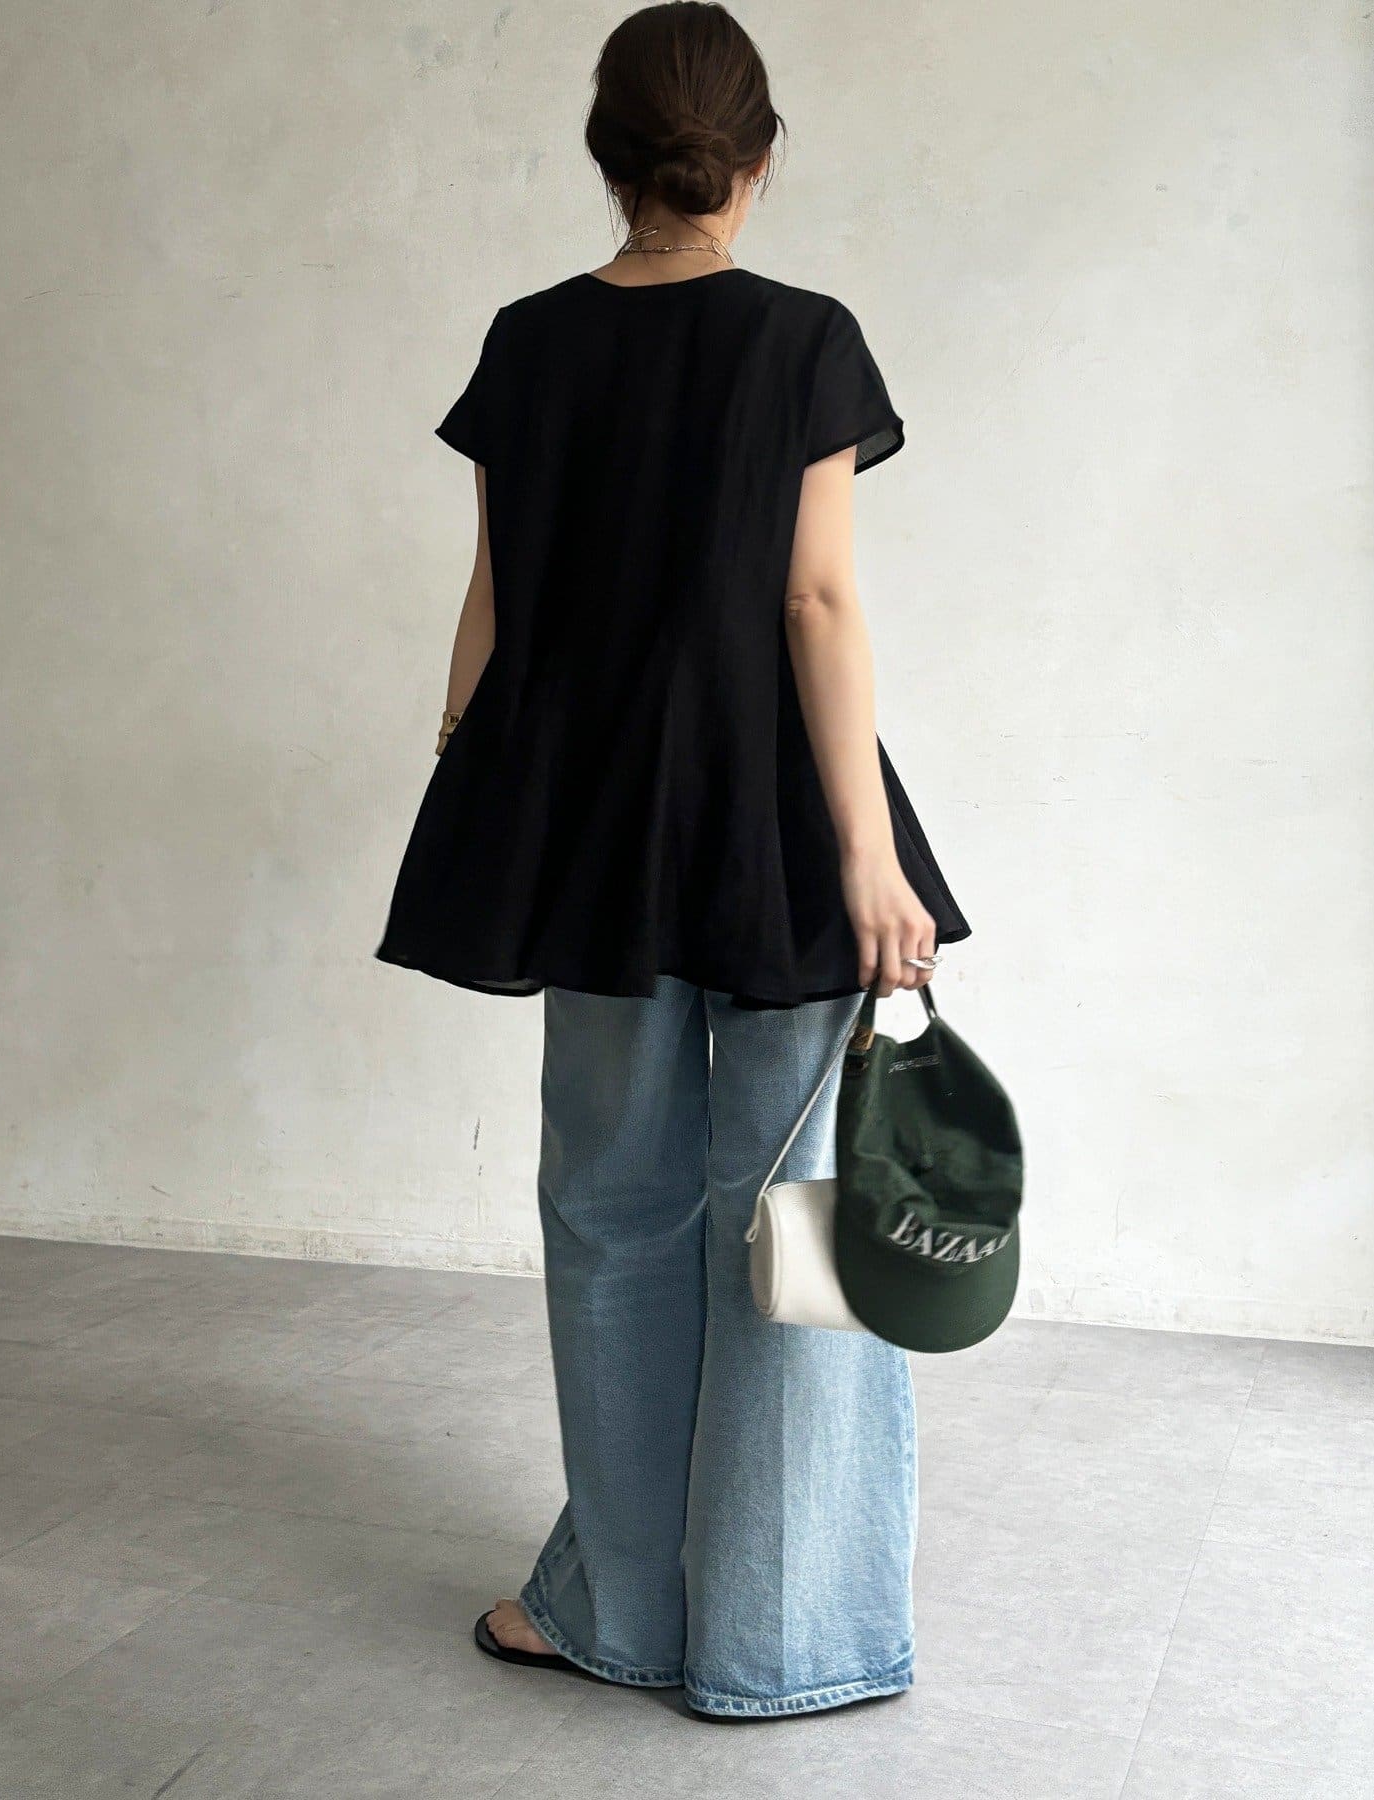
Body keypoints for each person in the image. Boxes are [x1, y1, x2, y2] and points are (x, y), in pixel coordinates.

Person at [375, 0, 971, 1720]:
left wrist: (465, 770)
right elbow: (815, 600)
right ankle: (789, 1640)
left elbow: (499, 598)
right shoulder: (803, 339)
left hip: (591, 836)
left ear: (607, 155)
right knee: (802, 1228)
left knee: (614, 1220)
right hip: (776, 827)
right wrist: (870, 859)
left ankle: (621, 1615)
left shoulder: (530, 341)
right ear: (757, 158)